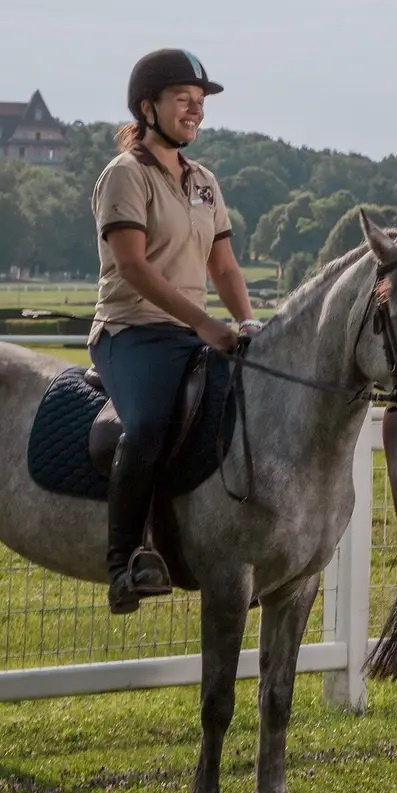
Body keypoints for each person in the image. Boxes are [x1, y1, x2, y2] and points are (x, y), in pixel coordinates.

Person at [88, 48, 261, 614]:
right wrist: (207, 323)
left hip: (192, 334)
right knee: (151, 423)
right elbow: (135, 267)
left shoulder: (205, 181)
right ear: (148, 107)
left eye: (200, 103)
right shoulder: (124, 176)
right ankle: (122, 563)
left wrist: (247, 321)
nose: (196, 112)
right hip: (131, 332)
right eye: (184, 101)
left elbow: (225, 266)